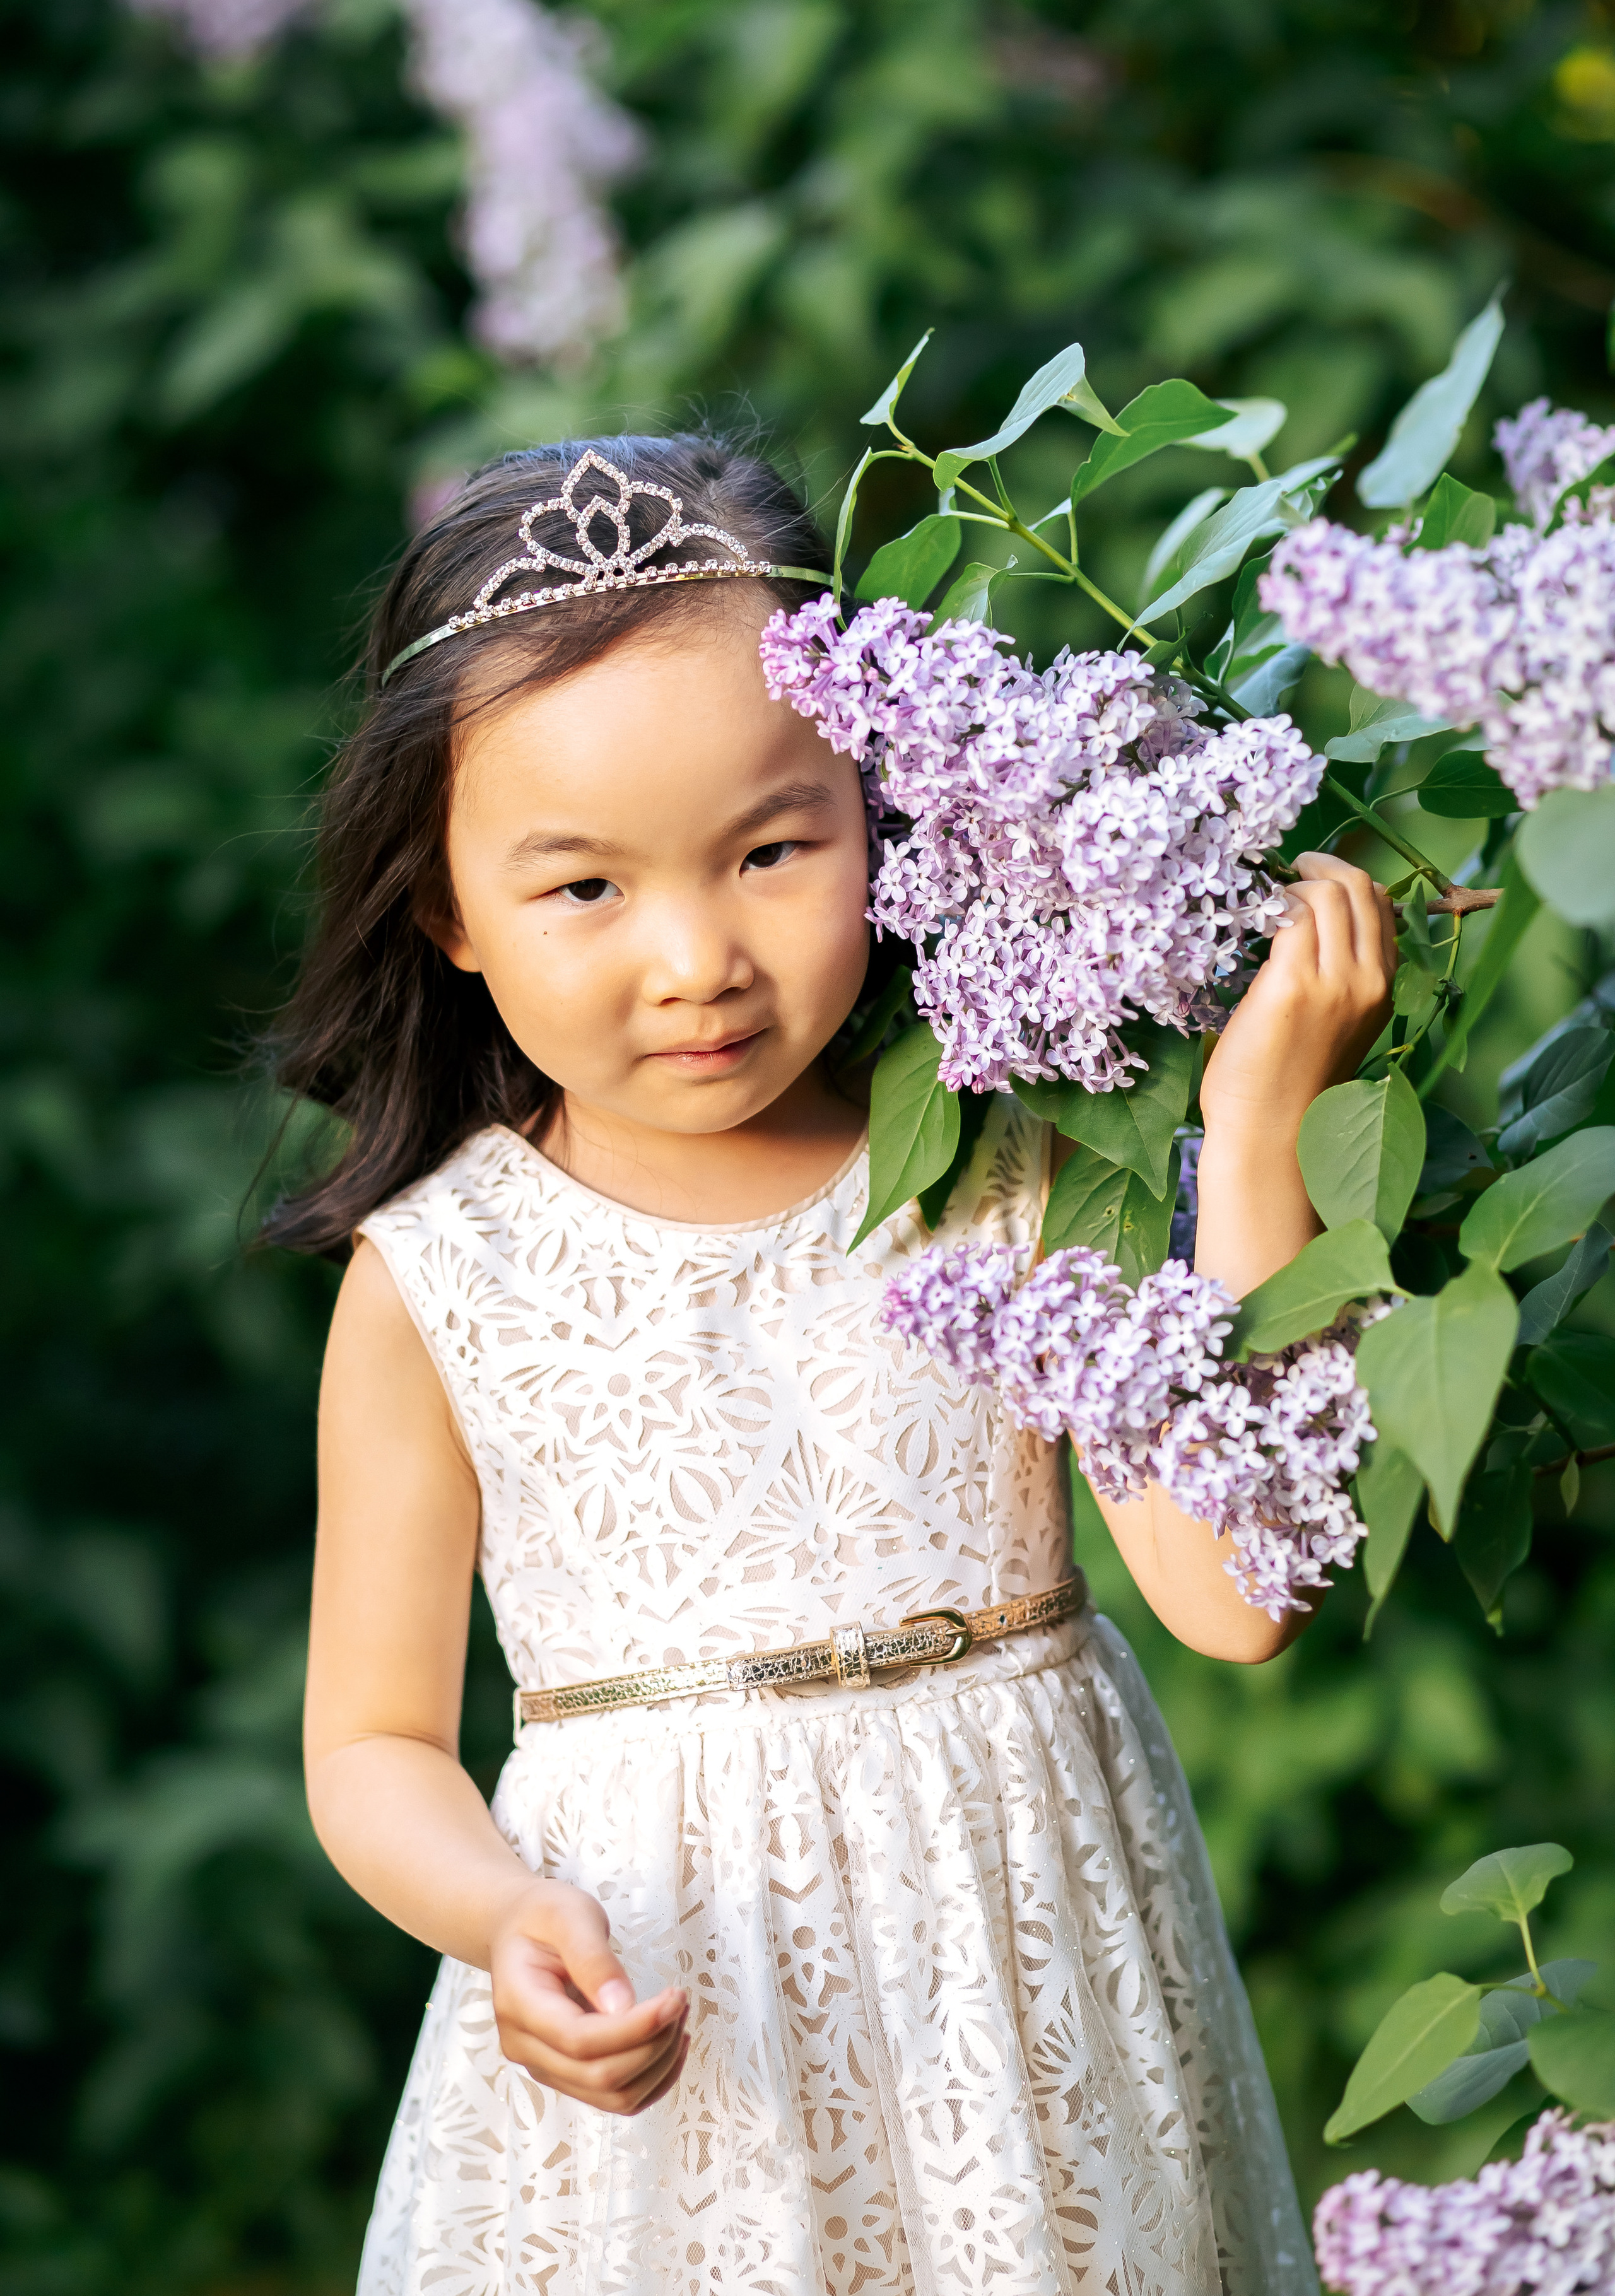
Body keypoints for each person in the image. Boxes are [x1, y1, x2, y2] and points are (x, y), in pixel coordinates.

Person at [269, 433, 1395, 2296]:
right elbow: (373, 1741)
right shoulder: (441, 1275)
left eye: (774, 849)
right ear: (445, 912)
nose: (698, 955)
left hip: (1031, 2022)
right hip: (668, 2035)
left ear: (883, 812)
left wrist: (1262, 1119)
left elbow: (1231, 1591)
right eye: (584, 891)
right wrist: (503, 1915)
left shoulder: (1013, 1160)